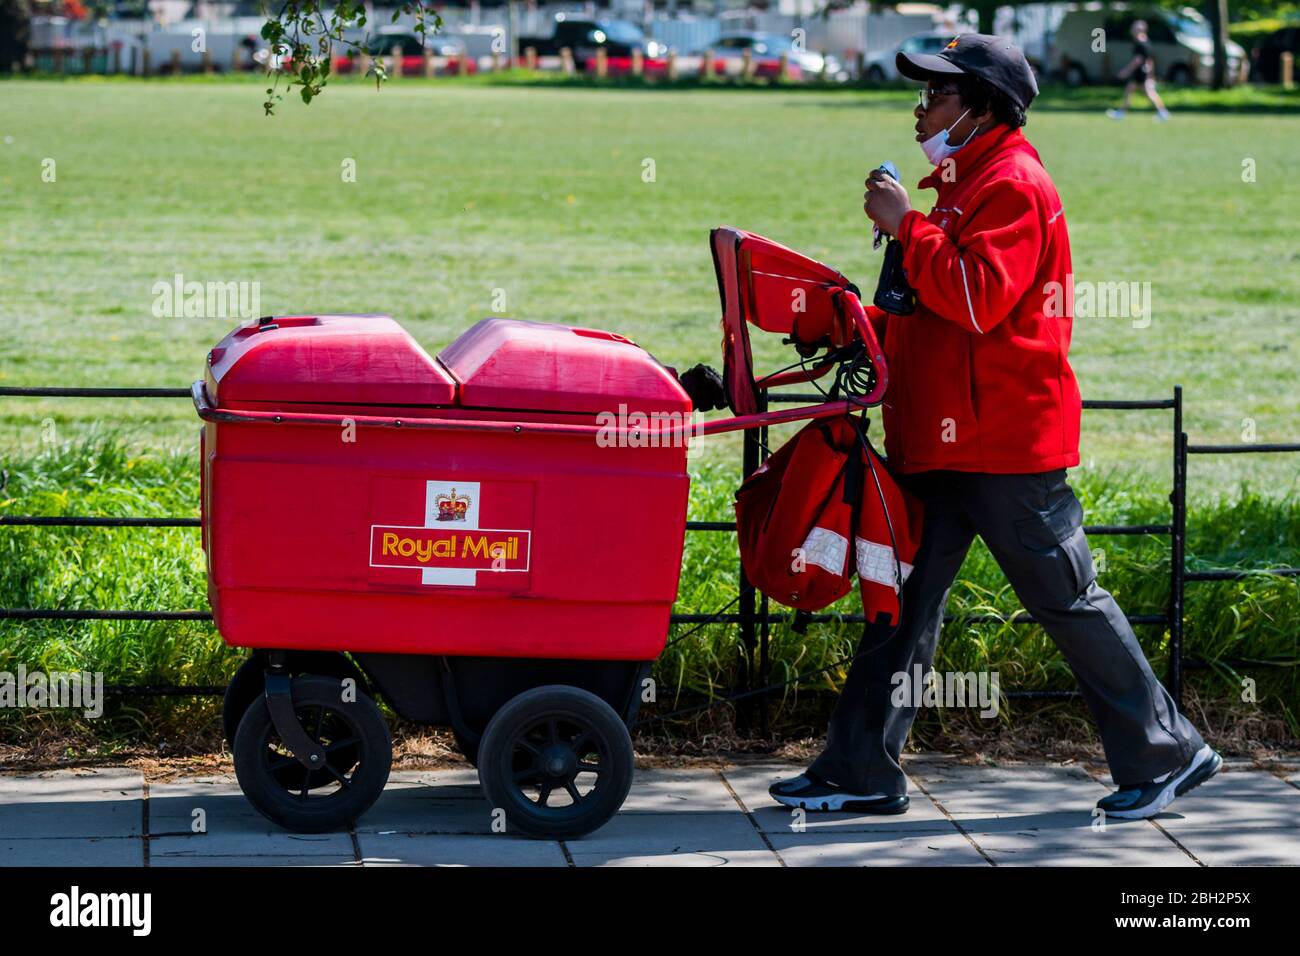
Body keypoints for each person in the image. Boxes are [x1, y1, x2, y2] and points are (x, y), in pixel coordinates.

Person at [768, 34, 1220, 821]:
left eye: (935, 97)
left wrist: (908, 227)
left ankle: (1168, 752)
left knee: (1067, 600)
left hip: (1002, 445)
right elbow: (928, 314)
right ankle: (858, 767)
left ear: (980, 108)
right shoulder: (957, 185)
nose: (919, 112)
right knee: (897, 599)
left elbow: (977, 300)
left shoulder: (1012, 183)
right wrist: (851, 323)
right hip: (945, 442)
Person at [1107, 20, 1171, 121]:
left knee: (1143, 92)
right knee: (1140, 91)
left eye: (1134, 28)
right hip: (1144, 72)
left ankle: (1121, 113)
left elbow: (1138, 60)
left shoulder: (1141, 43)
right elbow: (1150, 61)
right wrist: (1151, 74)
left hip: (1140, 72)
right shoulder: (1146, 41)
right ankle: (1163, 112)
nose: (1132, 30)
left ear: (1140, 30)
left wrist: (1126, 71)